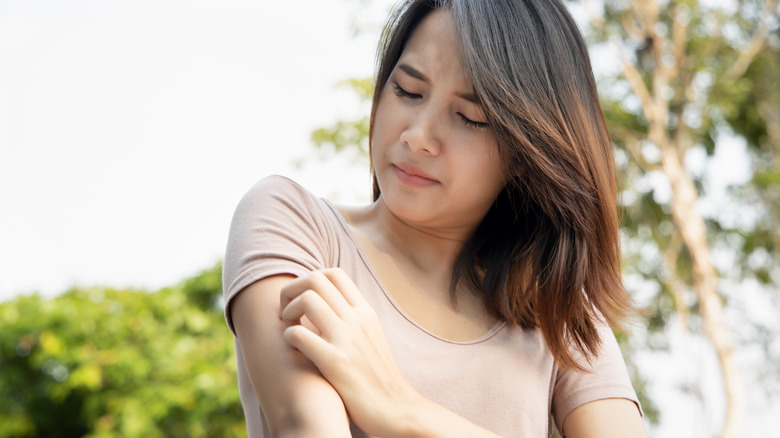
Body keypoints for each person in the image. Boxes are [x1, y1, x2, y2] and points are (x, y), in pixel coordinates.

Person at [223, 0, 647, 436]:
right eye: (407, 91)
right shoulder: (296, 225)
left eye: (470, 117)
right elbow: (304, 426)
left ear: (527, 152)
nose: (417, 136)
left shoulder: (558, 312)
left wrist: (401, 407)